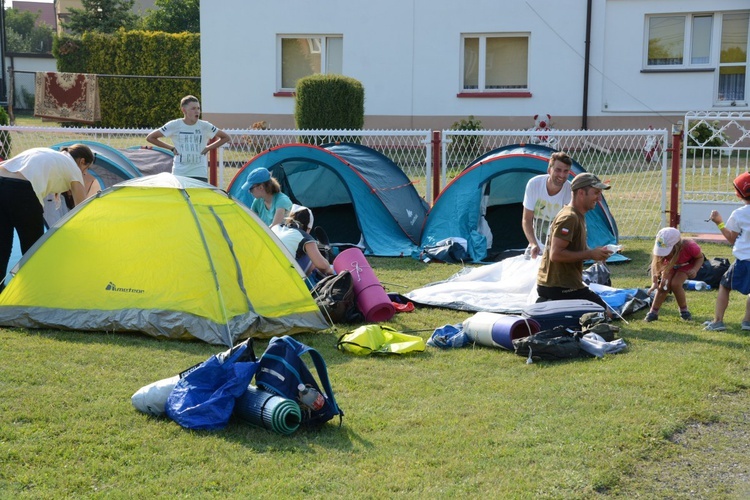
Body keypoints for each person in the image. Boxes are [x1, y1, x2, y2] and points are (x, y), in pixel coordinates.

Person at [0, 145, 94, 292]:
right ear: (82, 161)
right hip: (23, 190)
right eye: (86, 169)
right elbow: (82, 206)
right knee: (33, 249)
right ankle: (33, 291)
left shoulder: (48, 153)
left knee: (2, 245)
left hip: (2, 182)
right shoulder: (72, 167)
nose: (85, 173)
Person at [536, 172, 613, 311]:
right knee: (605, 313)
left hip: (565, 284)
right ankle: (551, 302)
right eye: (596, 193)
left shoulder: (578, 215)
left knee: (603, 309)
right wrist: (590, 254)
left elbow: (575, 248)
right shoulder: (569, 217)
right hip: (558, 287)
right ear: (581, 193)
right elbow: (556, 254)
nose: (599, 198)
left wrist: (598, 253)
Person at [703, 172, 750, 331]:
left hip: (744, 260)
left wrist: (719, 223)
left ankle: (717, 321)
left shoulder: (739, 214)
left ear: (739, 194)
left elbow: (731, 238)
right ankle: (747, 322)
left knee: (724, 286)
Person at [146, 95, 230, 182]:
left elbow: (226, 137)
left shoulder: (205, 126)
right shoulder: (174, 125)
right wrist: (171, 148)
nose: (197, 111)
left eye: (198, 108)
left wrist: (208, 148)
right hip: (180, 173)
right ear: (184, 110)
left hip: (199, 173)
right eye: (193, 108)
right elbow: (151, 137)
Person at [644, 227, 704, 322]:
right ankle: (653, 313)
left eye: (667, 251)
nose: (664, 255)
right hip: (670, 265)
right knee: (663, 286)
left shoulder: (690, 246)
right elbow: (655, 265)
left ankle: (684, 311)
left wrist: (695, 269)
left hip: (686, 265)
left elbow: (700, 258)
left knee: (676, 284)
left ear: (676, 246)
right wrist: (654, 282)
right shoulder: (663, 250)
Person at [522, 151, 573, 259]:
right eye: (558, 170)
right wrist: (533, 244)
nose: (562, 175)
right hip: (537, 245)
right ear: (549, 170)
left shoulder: (570, 190)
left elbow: (570, 225)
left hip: (558, 248)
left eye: (566, 171)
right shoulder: (534, 184)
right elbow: (526, 219)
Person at [271, 205, 334, 284]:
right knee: (311, 260)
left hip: (261, 273)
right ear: (308, 228)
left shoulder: (275, 228)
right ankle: (326, 253)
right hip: (283, 282)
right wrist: (331, 270)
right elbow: (323, 266)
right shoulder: (304, 236)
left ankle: (324, 250)